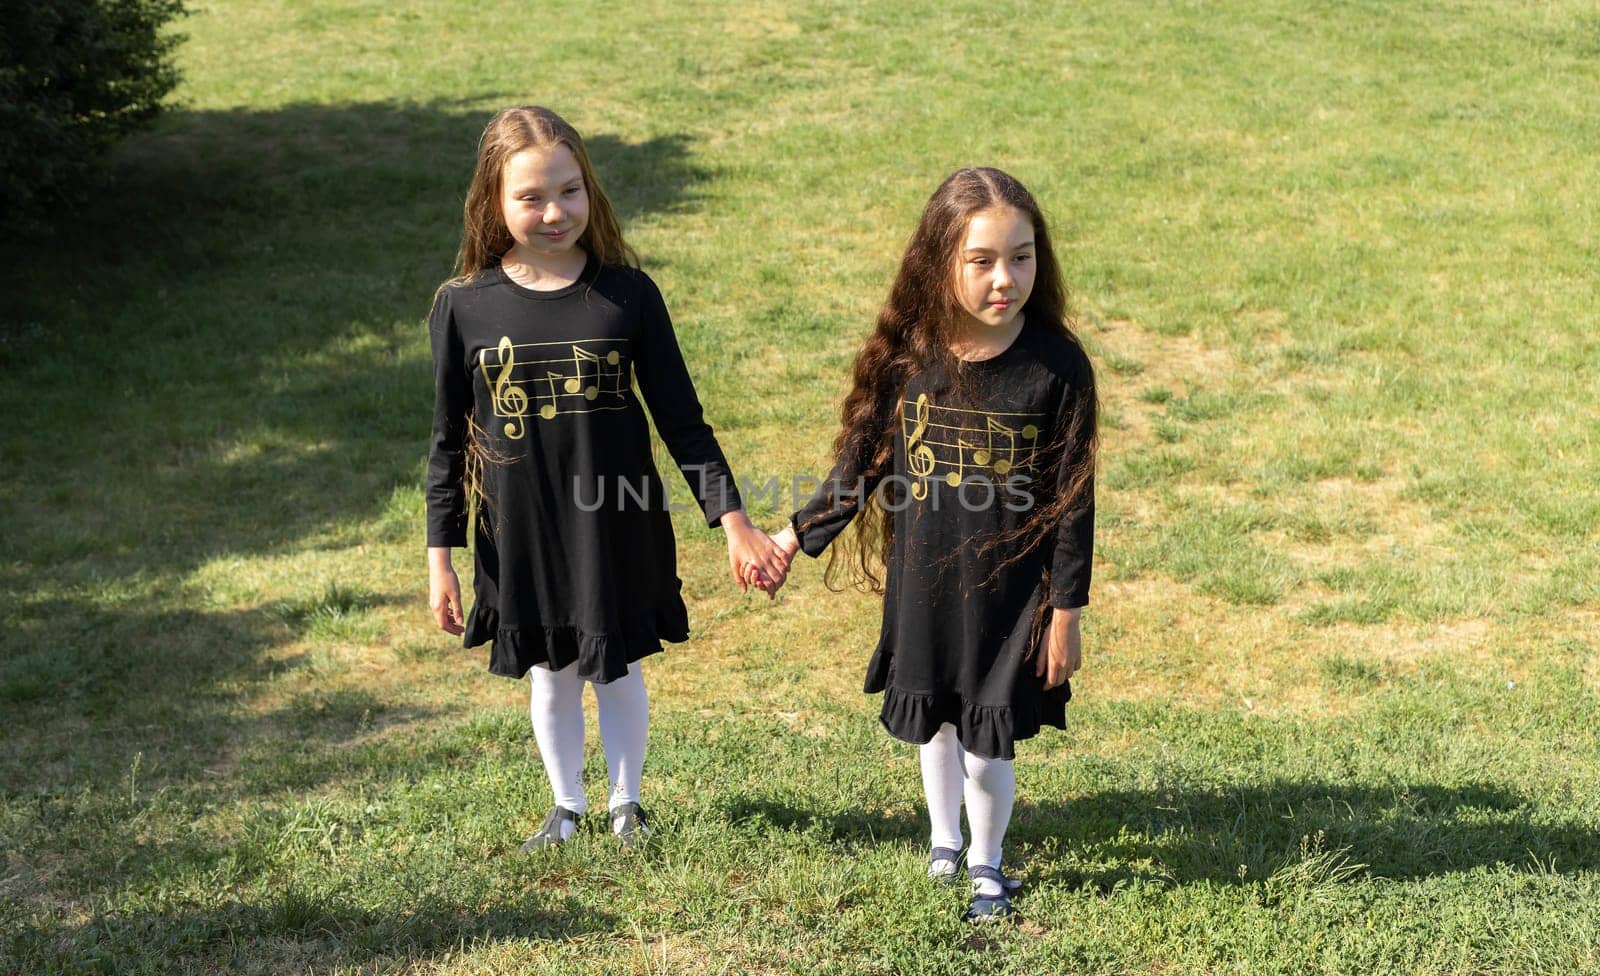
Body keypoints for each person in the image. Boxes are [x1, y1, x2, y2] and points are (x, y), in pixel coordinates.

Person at [426, 105, 789, 852]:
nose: (554, 212)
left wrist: (735, 522)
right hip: (521, 531)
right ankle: (567, 806)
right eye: (530, 197)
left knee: (615, 665)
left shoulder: (628, 295)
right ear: (493, 202)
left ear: (589, 189)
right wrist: (441, 556)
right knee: (552, 673)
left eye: (569, 191)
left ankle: (628, 804)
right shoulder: (464, 306)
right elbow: (446, 442)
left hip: (614, 520)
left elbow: (684, 423)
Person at [768, 167, 1097, 920]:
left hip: (1010, 597)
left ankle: (987, 862)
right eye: (981, 260)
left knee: (987, 740)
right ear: (939, 260)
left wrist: (1066, 612)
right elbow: (856, 471)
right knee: (938, 725)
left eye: (1021, 256)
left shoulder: (1057, 367)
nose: (1004, 278)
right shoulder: (909, 361)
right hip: (924, 587)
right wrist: (792, 536)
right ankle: (943, 843)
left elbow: (1073, 505)